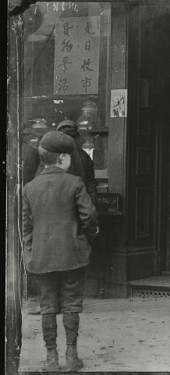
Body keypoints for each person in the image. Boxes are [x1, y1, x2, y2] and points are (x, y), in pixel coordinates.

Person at [22, 131, 99, 372]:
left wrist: (31, 252)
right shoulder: (75, 183)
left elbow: (26, 226)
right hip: (72, 255)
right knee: (71, 305)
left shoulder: (29, 187)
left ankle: (51, 358)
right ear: (63, 158)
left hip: (42, 256)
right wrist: (84, 241)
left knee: (47, 306)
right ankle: (72, 356)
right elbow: (90, 218)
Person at [37, 119, 97, 205]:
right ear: (76, 136)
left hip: (54, 204)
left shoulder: (51, 154)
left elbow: (39, 179)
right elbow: (91, 188)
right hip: (80, 204)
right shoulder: (84, 156)